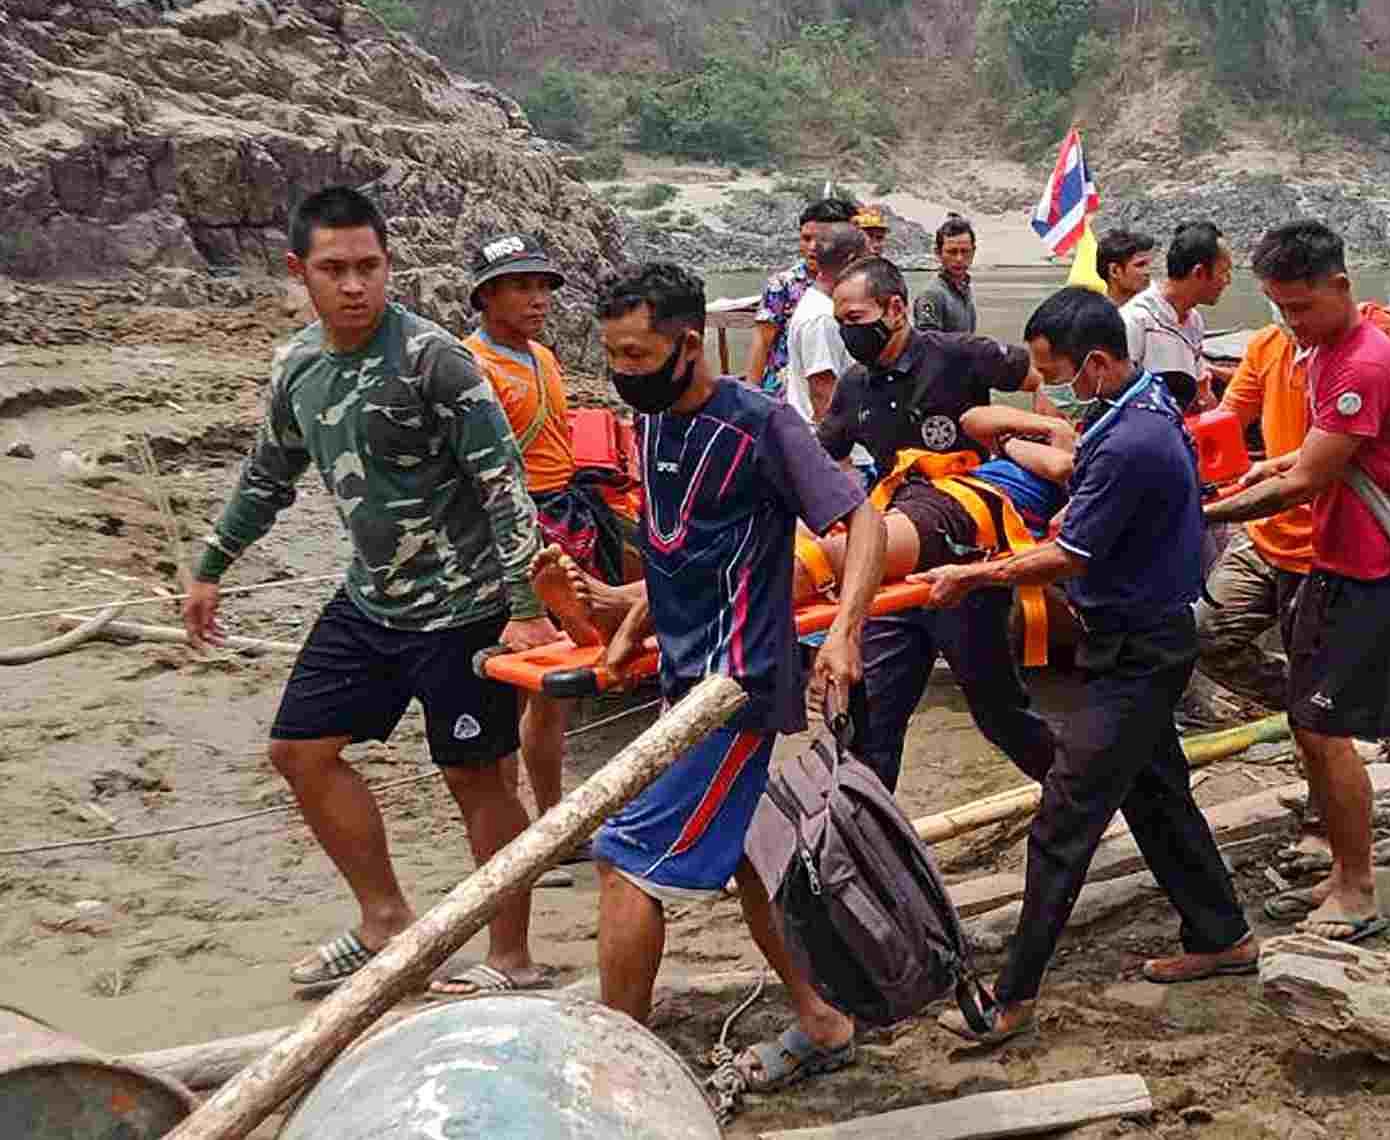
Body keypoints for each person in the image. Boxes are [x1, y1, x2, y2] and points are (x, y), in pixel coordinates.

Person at [182, 187, 562, 997]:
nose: (354, 285)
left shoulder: (434, 360)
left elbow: (503, 484)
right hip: (370, 600)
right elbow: (269, 474)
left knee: (479, 779)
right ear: (299, 271)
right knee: (299, 752)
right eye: (334, 269)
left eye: (369, 267)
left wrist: (526, 610)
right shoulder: (298, 368)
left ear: (389, 266)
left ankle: (512, 959)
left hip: (466, 607)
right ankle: (384, 920)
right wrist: (211, 565)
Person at [918, 289, 1257, 1047]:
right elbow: (1096, 507)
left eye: (1056, 372)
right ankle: (1222, 933)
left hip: (1140, 653)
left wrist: (976, 576)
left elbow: (1069, 555)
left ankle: (1012, 997)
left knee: (1064, 819)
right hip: (1131, 641)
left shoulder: (1133, 435)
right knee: (1158, 799)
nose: (1052, 387)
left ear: (1098, 362)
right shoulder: (1131, 414)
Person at [582, 261, 885, 1092]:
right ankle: (823, 1019)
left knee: (624, 859)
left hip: (735, 690)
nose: (623, 372)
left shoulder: (761, 427)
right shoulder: (649, 425)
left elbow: (862, 518)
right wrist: (619, 609)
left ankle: (617, 1074)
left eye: (637, 355)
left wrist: (844, 636)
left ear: (686, 346)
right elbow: (687, 558)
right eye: (613, 355)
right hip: (682, 689)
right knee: (752, 862)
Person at [1206, 220, 1390, 945]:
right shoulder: (1320, 352)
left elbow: (1307, 479)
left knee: (1327, 733)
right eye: (1279, 310)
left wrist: (1205, 509)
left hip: (1369, 571)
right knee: (1310, 723)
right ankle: (1341, 868)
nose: (1290, 323)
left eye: (1301, 308)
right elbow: (1301, 455)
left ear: (1341, 286)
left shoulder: (1364, 361)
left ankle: (1359, 889)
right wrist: (1264, 467)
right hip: (1331, 562)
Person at [815, 257, 1054, 789]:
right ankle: (864, 844)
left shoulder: (957, 356)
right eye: (840, 324)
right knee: (872, 721)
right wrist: (847, 502)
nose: (848, 333)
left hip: (963, 559)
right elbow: (823, 456)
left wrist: (1039, 447)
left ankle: (1077, 796)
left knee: (999, 715)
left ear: (895, 308)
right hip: (894, 562)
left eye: (856, 319)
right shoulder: (855, 386)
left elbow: (1043, 378)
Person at [461, 232, 628, 882]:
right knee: (508, 685)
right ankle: (514, 832)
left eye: (542, 287)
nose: (537, 299)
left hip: (563, 522)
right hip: (512, 532)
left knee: (553, 690)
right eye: (521, 286)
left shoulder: (543, 359)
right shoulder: (471, 367)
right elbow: (481, 476)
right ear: (487, 294)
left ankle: (555, 820)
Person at [790, 404, 1072, 603]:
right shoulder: (1045, 435)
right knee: (798, 532)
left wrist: (1008, 444)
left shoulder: (1094, 458)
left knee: (816, 563)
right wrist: (1049, 426)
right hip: (926, 491)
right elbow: (972, 420)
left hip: (964, 515)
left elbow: (1061, 465)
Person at [1195, 308, 1314, 710]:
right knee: (1206, 636)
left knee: (1322, 658)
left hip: (1332, 544)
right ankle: (1296, 703)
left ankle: (1323, 716)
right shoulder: (1267, 345)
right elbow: (1223, 425)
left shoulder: (1359, 358)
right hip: (1266, 530)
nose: (1288, 314)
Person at [739, 198, 857, 391]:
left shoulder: (857, 284)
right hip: (790, 390)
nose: (812, 247)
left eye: (822, 239)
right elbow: (762, 342)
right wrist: (750, 395)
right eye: (806, 238)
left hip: (842, 383)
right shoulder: (782, 285)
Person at [1123, 220, 1229, 411]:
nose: (1227, 281)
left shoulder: (1194, 320)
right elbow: (1118, 394)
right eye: (1223, 272)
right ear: (1199, 272)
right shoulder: (1136, 320)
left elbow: (1201, 390)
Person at [781, 223, 868, 426]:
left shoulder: (825, 307)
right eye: (866, 260)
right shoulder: (822, 318)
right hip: (841, 447)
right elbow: (823, 393)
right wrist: (839, 455)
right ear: (851, 260)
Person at [915, 215, 978, 334]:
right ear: (938, 253)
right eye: (952, 252)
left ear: (973, 252)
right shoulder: (932, 295)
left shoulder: (964, 290)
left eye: (965, 251)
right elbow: (929, 345)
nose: (959, 259)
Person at [1095, 227, 1158, 306]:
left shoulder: (1159, 304)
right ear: (1114, 271)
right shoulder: (1095, 315)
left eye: (1148, 264)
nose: (1148, 272)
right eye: (1140, 265)